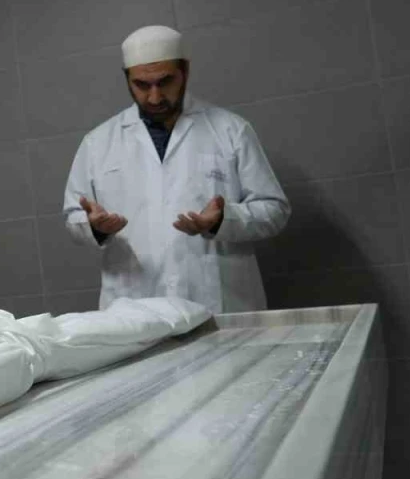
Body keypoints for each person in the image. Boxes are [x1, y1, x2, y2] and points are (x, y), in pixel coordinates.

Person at [63, 25, 291, 314]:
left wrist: (224, 220)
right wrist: (94, 228)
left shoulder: (231, 130)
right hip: (134, 307)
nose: (155, 97)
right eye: (142, 85)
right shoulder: (98, 143)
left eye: (165, 82)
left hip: (217, 301)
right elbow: (74, 217)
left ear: (185, 71)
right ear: (127, 78)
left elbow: (274, 209)